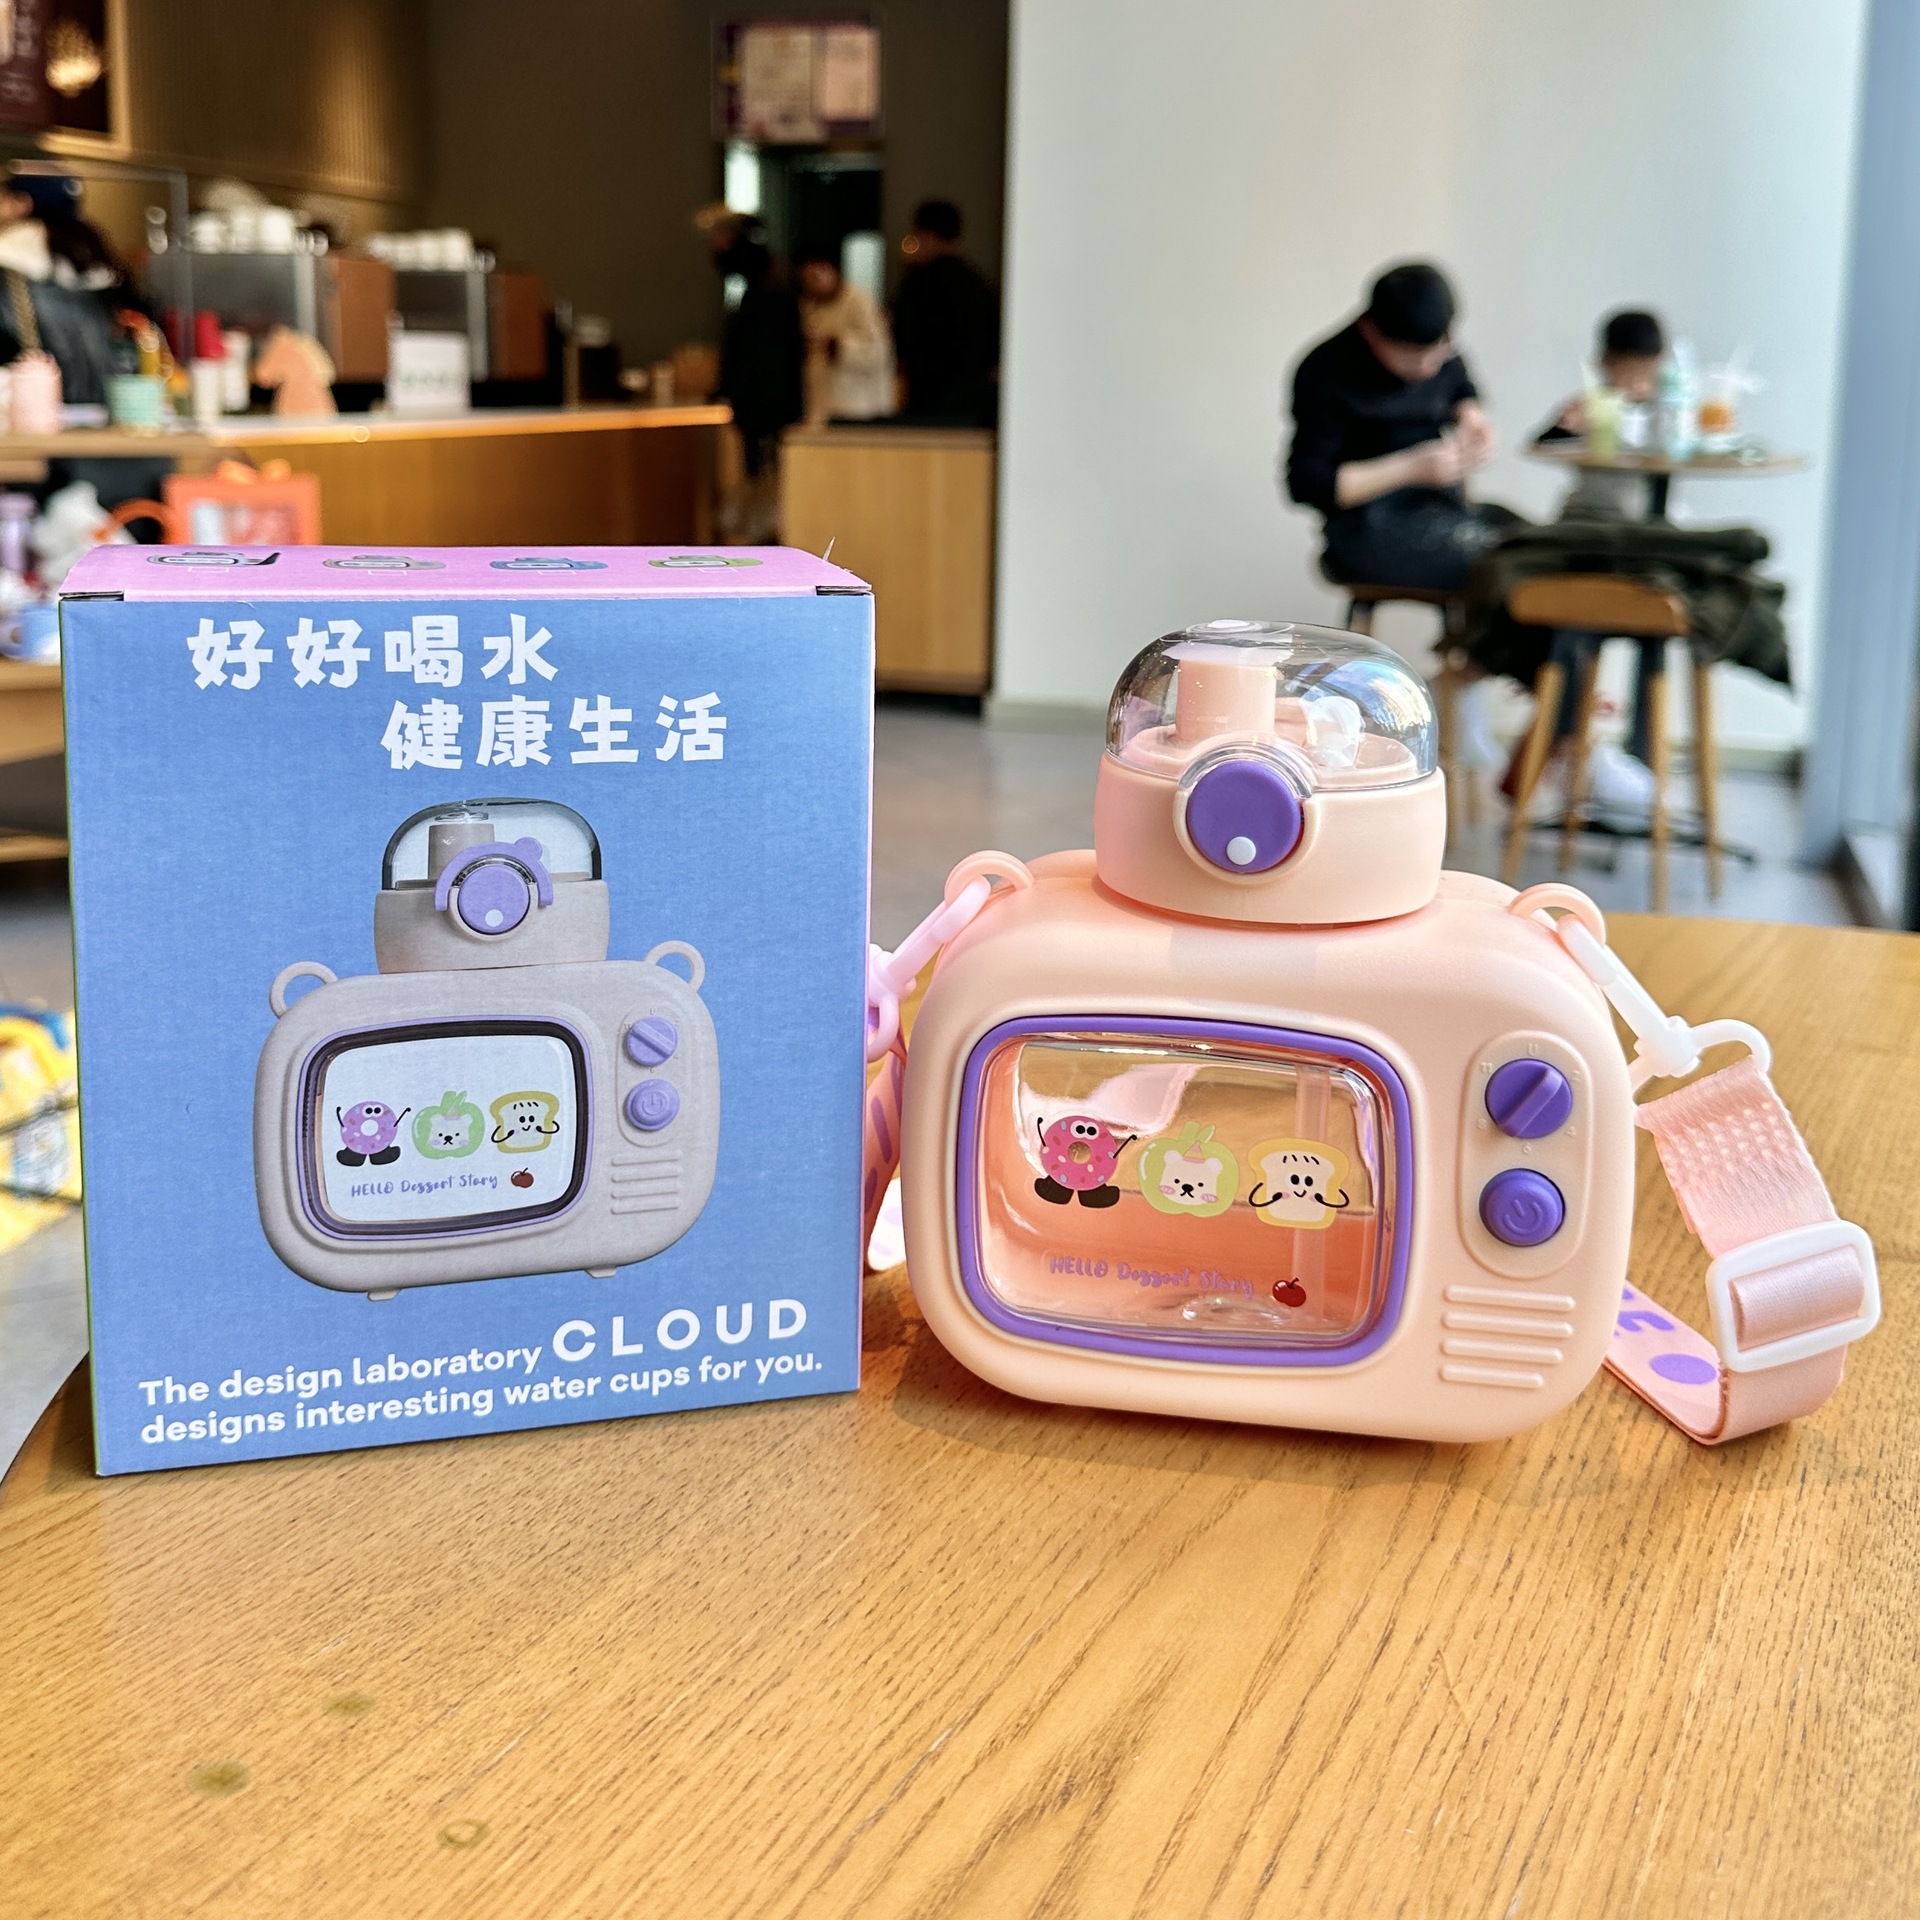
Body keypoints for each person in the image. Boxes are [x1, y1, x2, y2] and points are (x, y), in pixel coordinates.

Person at [1286, 262, 1519, 590]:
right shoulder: (1324, 371)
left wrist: (1471, 417)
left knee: (1549, 547)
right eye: (1412, 357)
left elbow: (1459, 386)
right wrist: (1411, 468)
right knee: (1507, 567)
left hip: (1442, 509)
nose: (1428, 367)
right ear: (1370, 330)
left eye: (1439, 352)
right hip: (1366, 529)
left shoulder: (1438, 344)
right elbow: (1308, 484)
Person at [698, 207, 804, 542]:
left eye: (722, 241)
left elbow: (769, 359)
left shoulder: (769, 291)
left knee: (767, 505)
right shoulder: (765, 286)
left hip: (767, 416)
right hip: (763, 415)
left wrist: (745, 399)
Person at [1535, 308, 1666, 521]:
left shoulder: (1667, 412)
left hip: (1644, 519)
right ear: (1604, 362)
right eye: (1628, 371)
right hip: (1587, 512)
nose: (1636, 382)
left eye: (1645, 372)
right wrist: (1568, 427)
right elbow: (1541, 444)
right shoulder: (1589, 407)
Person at [889, 199, 998, 427]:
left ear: (926, 235)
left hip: (927, 399)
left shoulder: (917, 283)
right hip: (976, 405)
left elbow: (902, 340)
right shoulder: (979, 284)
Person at [797, 251, 894, 424]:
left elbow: (877, 352)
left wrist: (834, 345)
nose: (812, 284)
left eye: (816, 276)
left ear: (832, 272)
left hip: (859, 407)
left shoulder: (859, 302)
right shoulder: (809, 306)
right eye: (807, 280)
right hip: (822, 404)